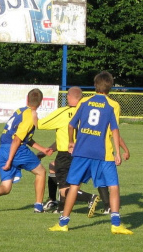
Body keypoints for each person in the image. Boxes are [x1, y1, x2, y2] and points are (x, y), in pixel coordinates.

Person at [49, 71, 133, 234]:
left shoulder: (84, 102)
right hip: (104, 153)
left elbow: (71, 125)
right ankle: (116, 224)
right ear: (110, 87)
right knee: (113, 186)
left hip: (82, 150)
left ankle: (63, 223)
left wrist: (71, 142)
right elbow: (114, 130)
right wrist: (118, 152)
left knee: (74, 185)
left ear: (95, 85)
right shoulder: (112, 105)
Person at [0, 88, 51, 214]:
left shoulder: (20, 111)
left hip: (3, 149)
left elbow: (24, 137)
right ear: (40, 103)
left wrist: (42, 149)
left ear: (27, 99)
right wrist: (10, 161)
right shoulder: (29, 116)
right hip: (15, 150)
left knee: (6, 187)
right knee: (41, 172)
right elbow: (17, 139)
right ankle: (38, 206)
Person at [37, 87, 100, 216]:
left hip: (66, 153)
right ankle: (60, 207)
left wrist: (31, 112)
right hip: (83, 152)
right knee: (56, 170)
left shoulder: (64, 112)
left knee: (65, 186)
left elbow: (40, 124)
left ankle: (89, 198)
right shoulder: (87, 111)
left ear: (69, 97)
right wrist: (50, 149)